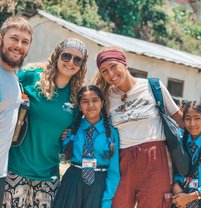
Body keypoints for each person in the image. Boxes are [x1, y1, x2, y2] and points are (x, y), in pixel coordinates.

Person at [92, 46, 183, 208]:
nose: (110, 74)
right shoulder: (106, 98)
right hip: (122, 160)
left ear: (124, 64)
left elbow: (179, 119)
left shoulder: (153, 86)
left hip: (156, 157)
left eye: (114, 66)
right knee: (117, 204)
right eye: (104, 71)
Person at [3, 38, 88, 208]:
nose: (70, 62)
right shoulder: (30, 76)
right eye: (66, 56)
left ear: (81, 66)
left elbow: (75, 130)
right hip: (15, 169)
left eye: (77, 59)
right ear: (56, 56)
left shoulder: (78, 96)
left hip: (48, 177)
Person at [52, 85, 120, 208]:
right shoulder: (71, 130)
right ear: (79, 105)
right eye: (85, 101)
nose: (90, 105)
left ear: (102, 102)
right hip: (72, 182)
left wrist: (107, 200)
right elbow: (60, 152)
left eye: (95, 100)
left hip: (99, 185)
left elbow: (114, 171)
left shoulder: (112, 133)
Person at [0, 16, 33, 207]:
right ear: (1, 38)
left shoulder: (13, 77)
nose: (19, 45)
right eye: (14, 38)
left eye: (25, 42)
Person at [172, 101, 201, 208]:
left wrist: (192, 196)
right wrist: (177, 187)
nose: (192, 124)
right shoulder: (181, 141)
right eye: (188, 118)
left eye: (197, 118)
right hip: (182, 201)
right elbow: (178, 171)